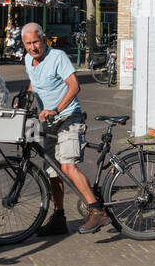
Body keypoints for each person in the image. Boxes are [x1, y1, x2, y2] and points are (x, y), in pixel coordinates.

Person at [19, 22, 106, 235]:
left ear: (44, 39)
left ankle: (96, 210)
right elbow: (34, 83)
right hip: (48, 122)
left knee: (66, 166)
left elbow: (75, 85)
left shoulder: (57, 57)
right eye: (28, 44)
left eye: (36, 42)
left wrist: (56, 109)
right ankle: (59, 218)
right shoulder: (29, 60)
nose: (33, 47)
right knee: (53, 171)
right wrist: (24, 101)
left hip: (68, 117)